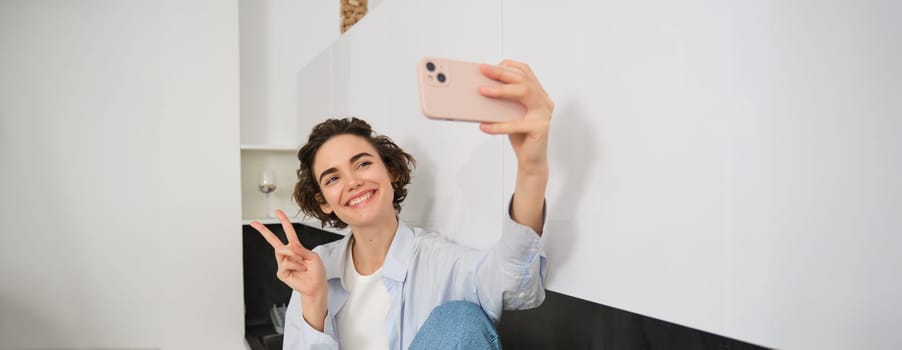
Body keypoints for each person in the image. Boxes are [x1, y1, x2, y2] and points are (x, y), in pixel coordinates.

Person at [251, 59, 553, 350]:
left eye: (363, 164)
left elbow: (512, 284)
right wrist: (315, 301)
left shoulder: (438, 262)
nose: (352, 182)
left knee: (460, 319)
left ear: (391, 171)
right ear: (325, 203)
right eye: (332, 179)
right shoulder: (317, 267)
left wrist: (532, 169)